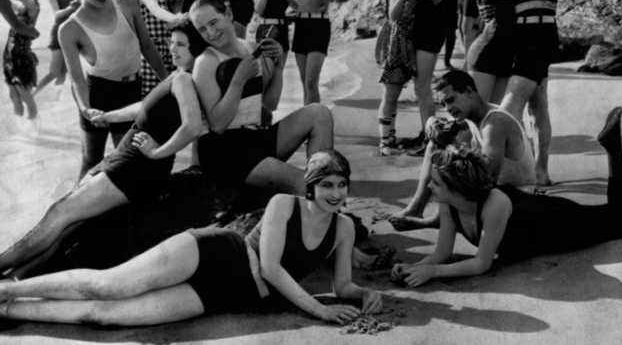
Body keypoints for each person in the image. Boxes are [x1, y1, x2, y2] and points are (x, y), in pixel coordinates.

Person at [0, 150, 382, 327]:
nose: (335, 193)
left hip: (225, 295)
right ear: (311, 187)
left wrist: (362, 294)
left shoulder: (344, 228)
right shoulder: (285, 203)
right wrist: (320, 310)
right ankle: (8, 289)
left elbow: (343, 284)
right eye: (326, 184)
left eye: (342, 185)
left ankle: (7, 310)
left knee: (106, 316)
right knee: (109, 286)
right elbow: (270, 267)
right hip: (212, 253)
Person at [390, 107, 622, 287]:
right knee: (610, 213)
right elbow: (442, 253)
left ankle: (613, 148)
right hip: (535, 222)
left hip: (559, 225)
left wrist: (432, 272)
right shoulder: (449, 203)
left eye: (437, 185)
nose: (431, 189)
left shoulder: (494, 204)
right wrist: (416, 267)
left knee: (619, 221)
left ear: (458, 187)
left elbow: (482, 263)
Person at [0, 23, 207, 280]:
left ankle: (6, 274)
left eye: (181, 44)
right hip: (129, 162)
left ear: (196, 48)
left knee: (60, 214)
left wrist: (158, 152)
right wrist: (108, 116)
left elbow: (192, 126)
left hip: (134, 168)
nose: (172, 48)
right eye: (171, 42)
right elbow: (145, 107)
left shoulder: (185, 79)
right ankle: (12, 282)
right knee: (68, 227)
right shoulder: (178, 77)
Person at [190, 0, 334, 191]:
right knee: (307, 186)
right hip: (226, 152)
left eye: (213, 22)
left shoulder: (249, 48)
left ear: (229, 14)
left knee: (319, 113)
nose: (211, 32)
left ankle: (320, 177)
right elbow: (217, 125)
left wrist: (279, 66)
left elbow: (269, 104)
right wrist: (238, 81)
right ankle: (318, 193)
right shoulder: (206, 63)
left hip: (256, 139)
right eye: (202, 29)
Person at [58, 0, 168, 179]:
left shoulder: (127, 4)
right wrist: (86, 109)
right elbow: (77, 79)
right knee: (92, 159)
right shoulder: (69, 29)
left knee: (126, 157)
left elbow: (147, 46)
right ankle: (79, 211)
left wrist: (168, 81)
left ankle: (124, 208)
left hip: (131, 90)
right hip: (97, 94)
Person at [390, 70, 536, 231]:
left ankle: (441, 220)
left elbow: (488, 179)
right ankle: (418, 209)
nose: (448, 109)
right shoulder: (473, 116)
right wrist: (431, 123)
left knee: (448, 163)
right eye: (444, 104)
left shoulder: (494, 123)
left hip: (519, 199)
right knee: (436, 144)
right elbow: (436, 126)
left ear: (468, 91)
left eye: (451, 100)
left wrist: (452, 165)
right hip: (503, 194)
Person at [501, 0, 583, 186]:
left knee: (509, 108)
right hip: (522, 37)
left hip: (539, 34)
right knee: (538, 106)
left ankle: (517, 170)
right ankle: (540, 170)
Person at [396, 0, 452, 156]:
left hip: (431, 33)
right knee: (421, 87)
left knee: (423, 87)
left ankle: (432, 139)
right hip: (422, 32)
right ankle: (426, 133)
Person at [261, 0, 333, 105]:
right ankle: (307, 121)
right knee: (303, 82)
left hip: (318, 26)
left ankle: (315, 119)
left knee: (310, 82)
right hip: (301, 25)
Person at [376, 0, 418, 156]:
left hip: (408, 39)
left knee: (394, 92)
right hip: (397, 40)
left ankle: (390, 136)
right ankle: (385, 141)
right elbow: (393, 15)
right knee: (391, 92)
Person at [137, 0, 188, 97]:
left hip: (169, 50)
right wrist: (175, 18)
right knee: (153, 97)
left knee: (171, 95)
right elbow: (155, 9)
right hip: (151, 54)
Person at [34, 0, 80, 95]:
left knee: (63, 74)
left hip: (70, 35)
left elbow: (76, 14)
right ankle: (33, 95)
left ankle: (55, 103)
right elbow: (57, 14)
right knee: (54, 72)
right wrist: (71, 8)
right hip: (58, 34)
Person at [3, 0, 41, 118]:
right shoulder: (21, 7)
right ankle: (21, 133)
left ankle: (34, 130)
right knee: (14, 96)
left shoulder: (34, 7)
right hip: (9, 54)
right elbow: (10, 4)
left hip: (21, 55)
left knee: (27, 98)